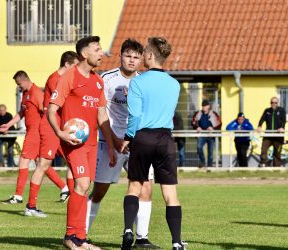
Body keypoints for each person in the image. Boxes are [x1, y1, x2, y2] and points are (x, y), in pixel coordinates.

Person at [85, 39, 158, 249]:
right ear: (121, 56)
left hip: (137, 144)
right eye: (128, 56)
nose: (132, 60)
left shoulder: (144, 81)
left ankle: (142, 239)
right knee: (99, 191)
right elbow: (100, 112)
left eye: (136, 57)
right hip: (110, 142)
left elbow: (146, 113)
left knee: (146, 188)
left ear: (141, 59)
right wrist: (113, 141)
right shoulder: (106, 79)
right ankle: (81, 234)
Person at [48, 36, 117, 250]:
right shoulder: (69, 77)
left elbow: (102, 114)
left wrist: (112, 146)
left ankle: (81, 238)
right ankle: (70, 237)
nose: (101, 53)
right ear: (84, 53)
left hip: (93, 143)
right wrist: (60, 132)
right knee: (83, 184)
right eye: (97, 49)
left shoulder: (98, 80)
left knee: (84, 188)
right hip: (74, 142)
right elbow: (51, 110)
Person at [120, 37, 186, 250]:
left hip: (143, 137)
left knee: (135, 186)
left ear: (149, 55)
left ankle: (128, 230)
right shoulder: (174, 84)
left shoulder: (137, 82)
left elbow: (135, 116)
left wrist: (128, 137)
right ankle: (176, 242)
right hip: (165, 138)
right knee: (170, 194)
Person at [1, 70, 69, 217]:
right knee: (41, 164)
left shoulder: (37, 92)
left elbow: (45, 112)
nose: (18, 87)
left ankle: (18, 196)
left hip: (36, 132)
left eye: (19, 84)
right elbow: (21, 113)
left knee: (25, 161)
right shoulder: (25, 95)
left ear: (25, 80)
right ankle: (63, 187)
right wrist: (8, 124)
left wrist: (46, 131)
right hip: (30, 131)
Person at [41, 51, 79, 202]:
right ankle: (30, 205)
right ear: (67, 64)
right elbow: (59, 103)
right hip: (52, 127)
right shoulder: (55, 79)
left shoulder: (65, 78)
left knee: (71, 161)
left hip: (61, 125)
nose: (77, 69)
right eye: (75, 66)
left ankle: (70, 193)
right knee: (42, 164)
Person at [191, 100, 222, 168]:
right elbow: (193, 122)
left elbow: (219, 123)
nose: (204, 107)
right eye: (203, 106)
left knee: (210, 152)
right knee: (199, 148)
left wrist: (213, 128)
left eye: (205, 106)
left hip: (210, 135)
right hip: (202, 134)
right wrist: (197, 127)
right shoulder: (198, 113)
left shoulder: (214, 113)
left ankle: (210, 167)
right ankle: (203, 162)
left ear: (208, 106)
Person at [257, 97, 286, 167]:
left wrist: (282, 127)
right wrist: (259, 126)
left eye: (275, 103)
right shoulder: (267, 111)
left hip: (278, 135)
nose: (274, 104)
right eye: (272, 102)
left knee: (277, 153)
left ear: (277, 103)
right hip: (268, 135)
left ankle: (276, 168)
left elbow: (284, 120)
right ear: (270, 103)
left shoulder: (281, 110)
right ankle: (264, 163)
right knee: (263, 150)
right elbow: (262, 118)